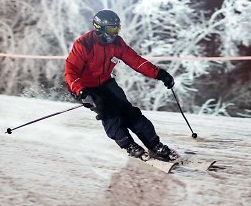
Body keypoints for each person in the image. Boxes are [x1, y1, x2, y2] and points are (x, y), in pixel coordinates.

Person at [64, 9, 177, 161]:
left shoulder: (117, 43)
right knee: (109, 113)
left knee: (128, 111)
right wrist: (81, 92)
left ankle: (154, 145)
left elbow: (136, 61)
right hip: (84, 88)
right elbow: (70, 71)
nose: (115, 33)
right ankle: (128, 144)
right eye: (111, 29)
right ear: (100, 28)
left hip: (105, 82)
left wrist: (159, 74)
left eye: (117, 28)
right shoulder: (84, 44)